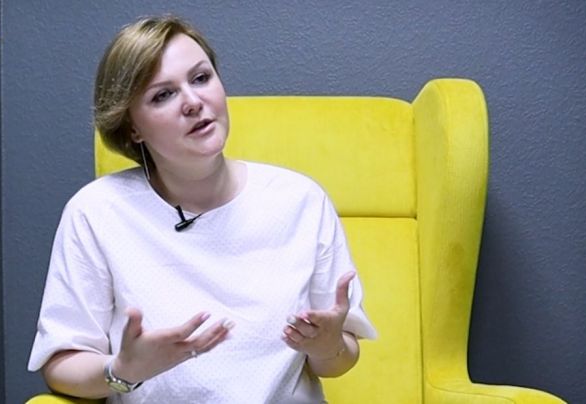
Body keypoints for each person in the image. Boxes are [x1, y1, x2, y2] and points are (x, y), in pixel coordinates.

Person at [28, 15, 377, 403]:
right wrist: (124, 370)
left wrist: (328, 346)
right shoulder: (96, 212)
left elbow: (339, 357)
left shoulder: (300, 200)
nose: (193, 102)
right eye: (163, 95)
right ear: (132, 128)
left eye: (200, 78)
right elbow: (62, 362)